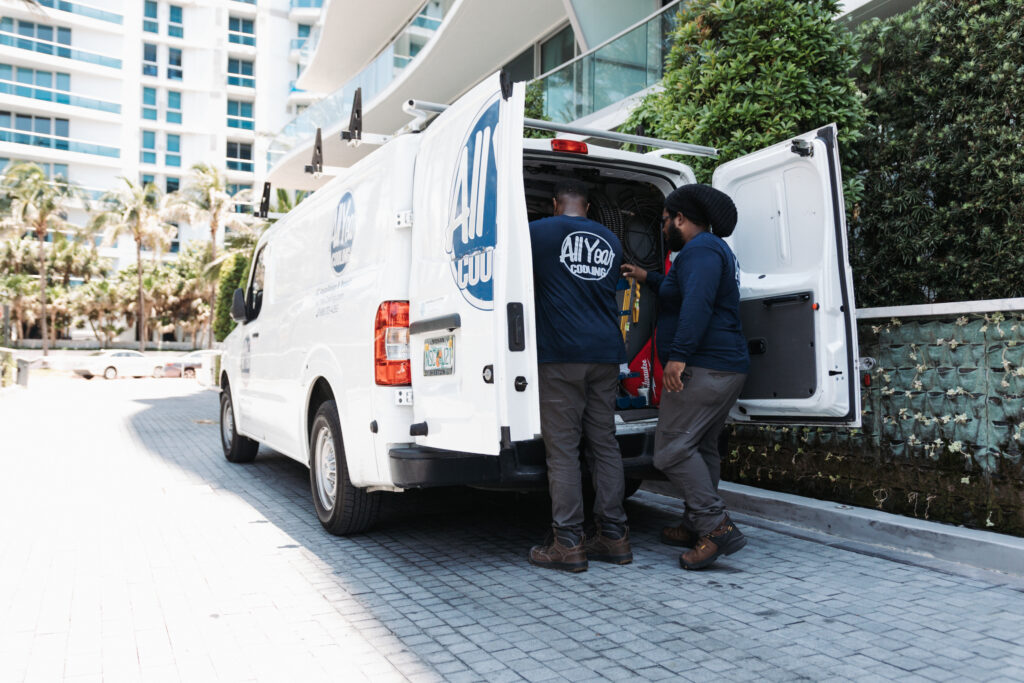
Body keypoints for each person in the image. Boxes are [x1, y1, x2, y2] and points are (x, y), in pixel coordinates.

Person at [620, 184, 749, 570]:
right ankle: (697, 521)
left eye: (664, 221)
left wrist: (678, 358)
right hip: (721, 367)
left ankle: (716, 527)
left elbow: (697, 303)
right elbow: (678, 289)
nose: (661, 229)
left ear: (680, 218)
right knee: (702, 446)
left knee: (672, 449)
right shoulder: (697, 253)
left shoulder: (702, 251)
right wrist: (645, 275)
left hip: (705, 367)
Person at [527, 180, 631, 572]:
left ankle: (568, 542)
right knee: (604, 444)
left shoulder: (539, 232)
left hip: (561, 356)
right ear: (587, 207)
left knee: (564, 451)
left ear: (555, 203)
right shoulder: (610, 240)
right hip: (605, 353)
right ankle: (614, 536)